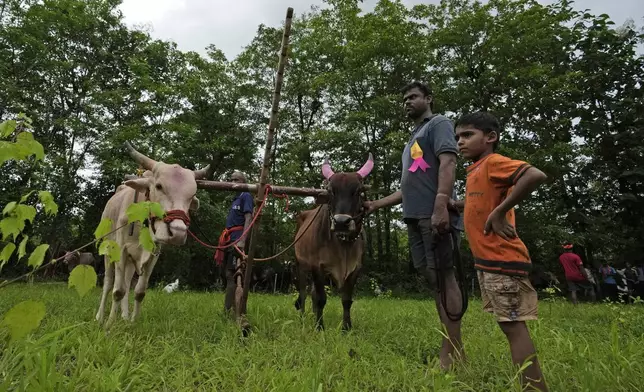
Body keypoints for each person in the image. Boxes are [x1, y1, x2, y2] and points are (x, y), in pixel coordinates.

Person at [364, 81, 465, 370]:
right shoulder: (413, 139)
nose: (407, 102)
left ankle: (452, 354)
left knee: (445, 278)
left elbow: (448, 164)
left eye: (413, 97)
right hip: (414, 215)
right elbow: (405, 188)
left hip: (434, 215)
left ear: (428, 99)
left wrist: (441, 205)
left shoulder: (439, 124)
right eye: (404, 98)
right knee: (434, 281)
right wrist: (375, 205)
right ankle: (454, 349)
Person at [451, 111, 549, 391]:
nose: (460, 142)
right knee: (509, 326)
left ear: (491, 137)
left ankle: (534, 388)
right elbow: (478, 203)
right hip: (489, 263)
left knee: (514, 327)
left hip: (504, 260)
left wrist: (499, 212)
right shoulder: (477, 169)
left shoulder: (493, 162)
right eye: (458, 137)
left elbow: (534, 174)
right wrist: (457, 206)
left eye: (468, 135)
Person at [214, 170, 254, 313]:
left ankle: (230, 310)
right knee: (226, 273)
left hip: (237, 241)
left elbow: (249, 219)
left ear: (243, 182)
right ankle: (231, 308)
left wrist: (242, 240)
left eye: (237, 180)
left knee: (234, 274)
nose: (234, 182)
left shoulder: (246, 196)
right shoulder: (235, 199)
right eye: (232, 180)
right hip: (228, 240)